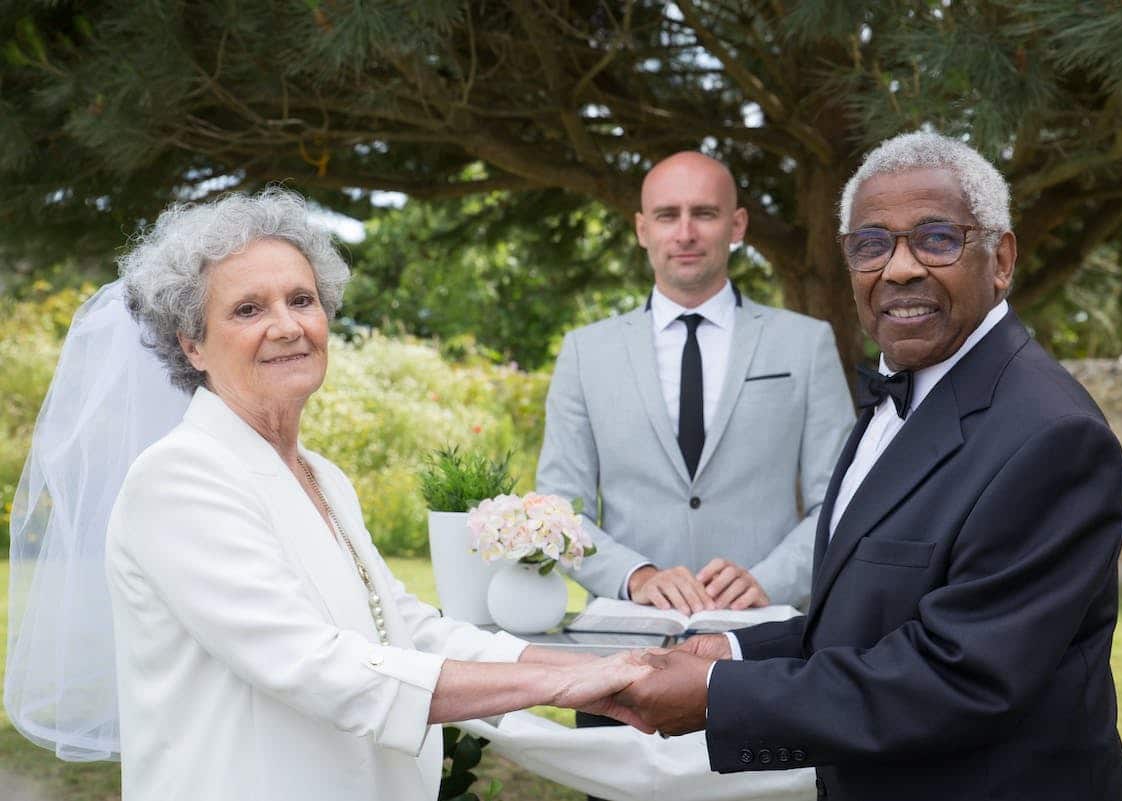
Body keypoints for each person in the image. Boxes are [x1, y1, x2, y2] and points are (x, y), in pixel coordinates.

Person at [8, 188, 652, 801]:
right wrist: (563, 684)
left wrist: (587, 665)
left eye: (302, 299)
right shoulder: (177, 479)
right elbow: (316, 667)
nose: (287, 326)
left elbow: (404, 626)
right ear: (191, 345)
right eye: (248, 310)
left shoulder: (322, 475)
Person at [616, 132, 1122, 801]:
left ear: (1002, 259)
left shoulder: (1053, 436)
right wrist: (739, 649)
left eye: (937, 239)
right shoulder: (902, 390)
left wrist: (721, 692)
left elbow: (961, 677)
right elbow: (870, 618)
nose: (900, 268)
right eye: (872, 244)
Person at [537, 151, 853, 615]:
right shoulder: (586, 353)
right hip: (628, 631)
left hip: (762, 630)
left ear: (737, 225)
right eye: (667, 215)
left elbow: (841, 503)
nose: (685, 233)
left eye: (704, 213)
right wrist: (634, 576)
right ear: (642, 229)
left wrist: (770, 581)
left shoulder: (806, 344)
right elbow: (558, 510)